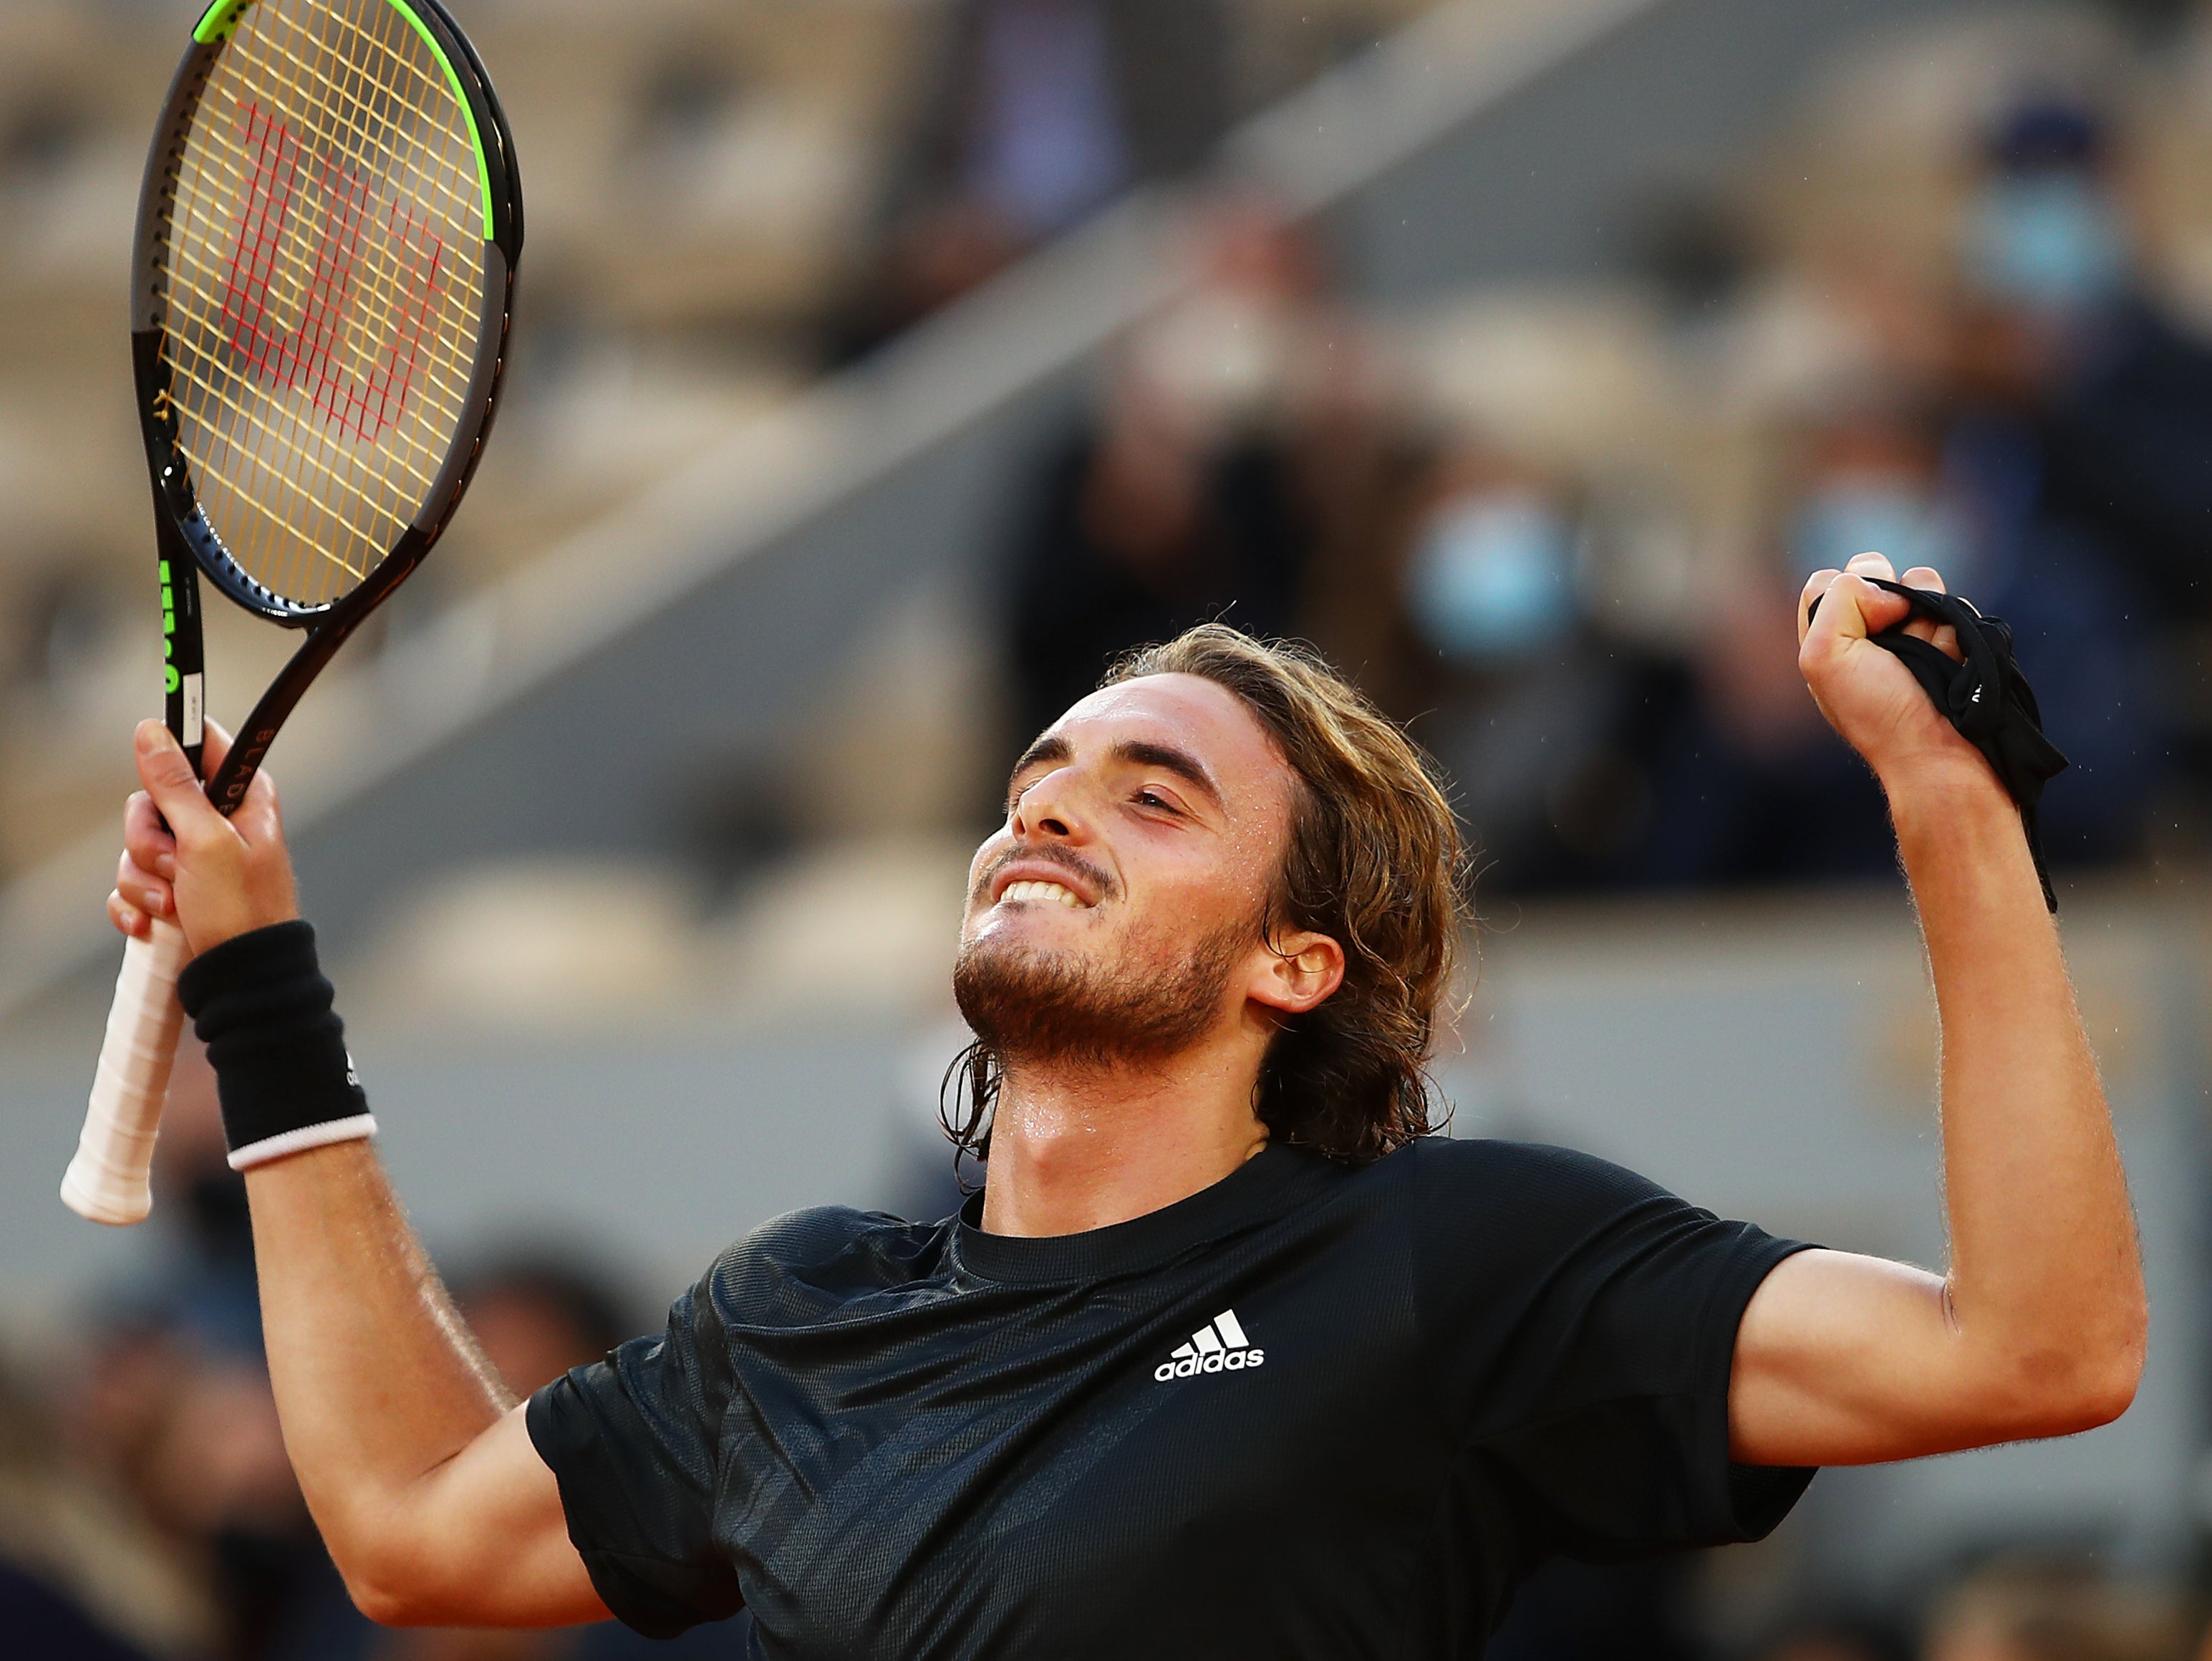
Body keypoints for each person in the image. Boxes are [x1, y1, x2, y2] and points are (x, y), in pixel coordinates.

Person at [101, 559, 2145, 1657]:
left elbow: (2036, 1347)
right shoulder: (794, 1317)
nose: (1050, 801)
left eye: (1150, 794)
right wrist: (263, 981)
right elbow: (406, 1539)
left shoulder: (1449, 1259)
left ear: (1294, 965)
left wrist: (1945, 808)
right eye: (1037, 778)